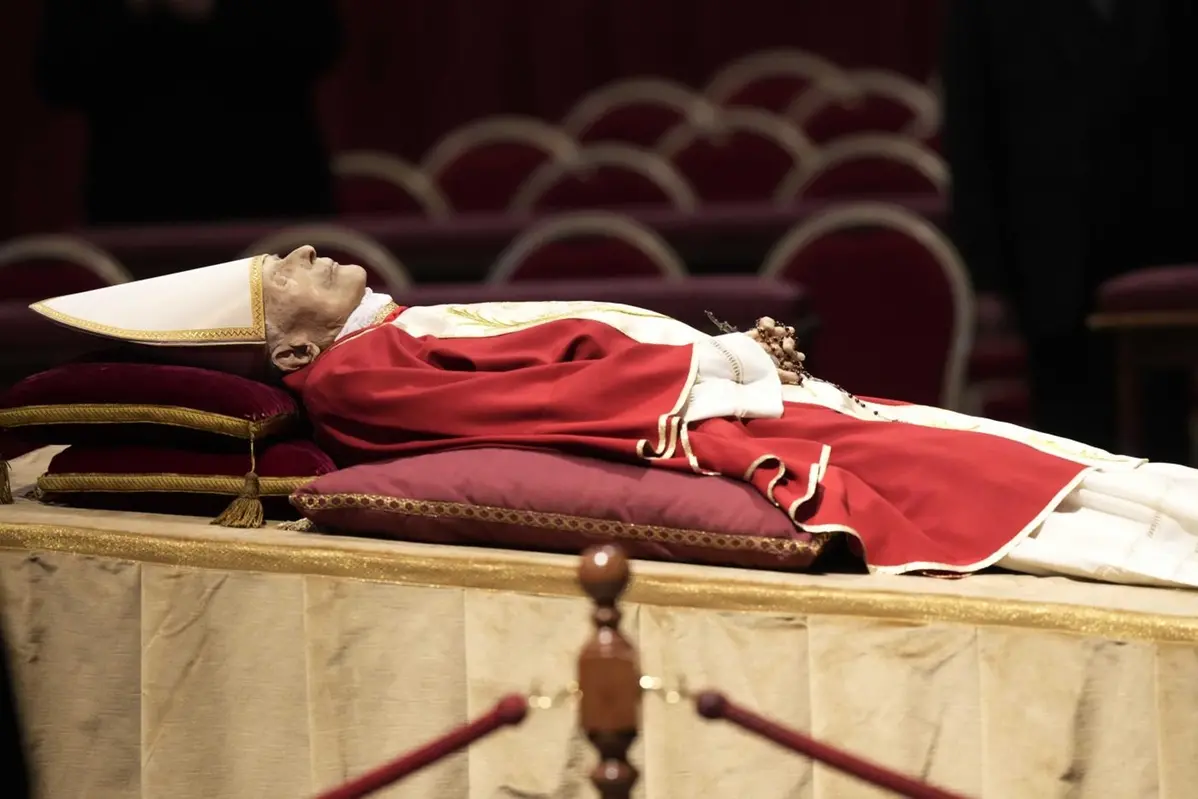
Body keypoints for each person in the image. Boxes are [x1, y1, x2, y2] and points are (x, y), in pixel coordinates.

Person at [30, 246, 1198, 589]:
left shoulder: (383, 329)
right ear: (283, 344)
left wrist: (724, 357)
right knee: (999, 483)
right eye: (281, 268)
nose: (307, 251)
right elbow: (550, 398)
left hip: (721, 397)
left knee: (1022, 455)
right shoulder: (351, 372)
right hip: (709, 424)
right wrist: (726, 368)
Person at [941, 0, 1198, 462]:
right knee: (1072, 441)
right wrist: (988, 278)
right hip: (1046, 251)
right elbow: (970, 138)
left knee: (1165, 436)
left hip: (1159, 248)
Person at [35, 0, 342, 226]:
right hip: (135, 200)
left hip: (270, 191)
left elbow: (321, 41)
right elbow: (55, 77)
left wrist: (212, 10)